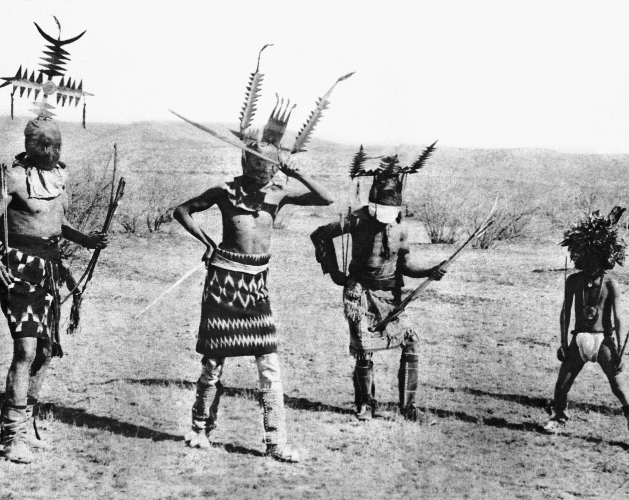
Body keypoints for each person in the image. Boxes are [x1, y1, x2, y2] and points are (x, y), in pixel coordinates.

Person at [174, 67, 336, 461]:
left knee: (269, 365)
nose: (266, 177)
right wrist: (208, 242)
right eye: (261, 170)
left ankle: (275, 441)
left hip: (256, 286)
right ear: (249, 167)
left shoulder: (277, 196)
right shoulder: (225, 192)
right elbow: (181, 210)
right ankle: (200, 429)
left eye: (271, 171)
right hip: (223, 281)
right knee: (214, 360)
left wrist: (297, 172)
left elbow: (326, 199)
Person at [0, 118, 108, 464]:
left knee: (45, 352)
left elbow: (54, 224)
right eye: (43, 144)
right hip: (18, 269)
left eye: (56, 144)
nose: (51, 151)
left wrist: (87, 240)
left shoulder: (61, 178)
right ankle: (10, 436)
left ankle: (26, 425)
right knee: (26, 349)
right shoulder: (13, 177)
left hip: (50, 269)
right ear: (29, 144)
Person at [310, 146, 444, 422]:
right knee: (363, 349)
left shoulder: (401, 228)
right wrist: (334, 273)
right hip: (360, 294)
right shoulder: (358, 219)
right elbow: (320, 235)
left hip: (390, 297)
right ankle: (365, 404)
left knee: (410, 342)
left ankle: (408, 407)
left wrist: (430, 271)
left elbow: (404, 265)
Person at [542, 207, 629, 454]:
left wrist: (621, 350)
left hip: (604, 342)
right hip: (578, 339)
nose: (591, 263)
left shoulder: (611, 283)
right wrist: (563, 342)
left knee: (619, 387)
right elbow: (565, 312)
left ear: (605, 258)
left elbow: (619, 317)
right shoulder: (573, 281)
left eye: (596, 258)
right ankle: (558, 417)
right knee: (562, 384)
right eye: (586, 257)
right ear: (580, 256)